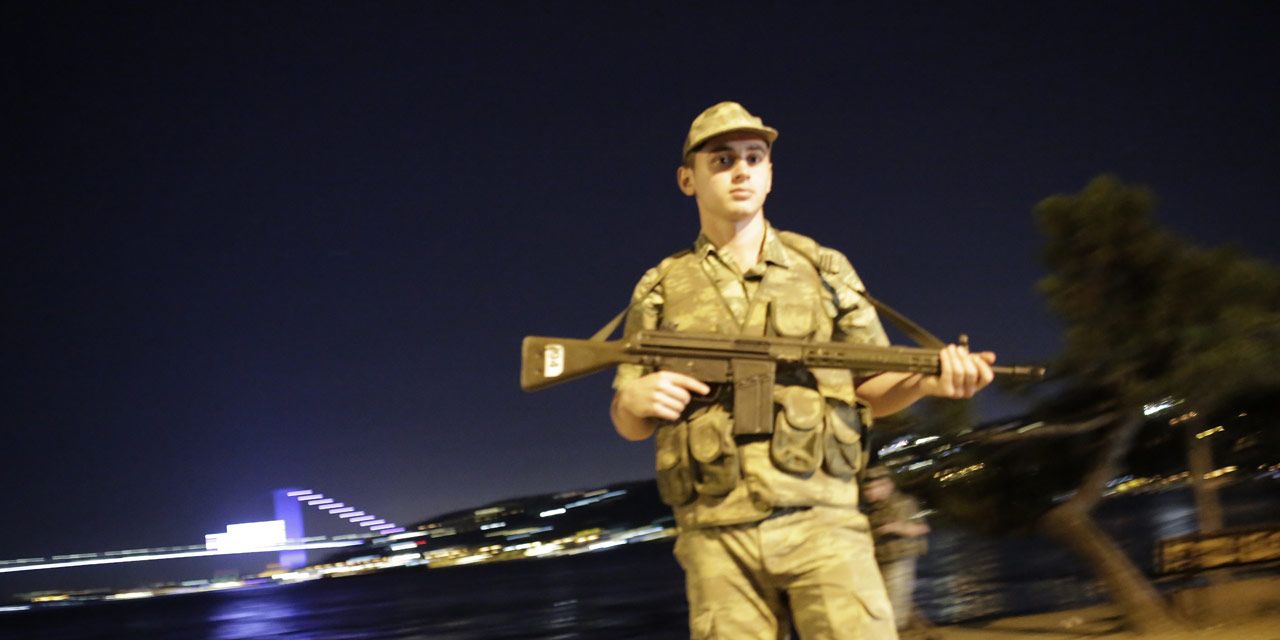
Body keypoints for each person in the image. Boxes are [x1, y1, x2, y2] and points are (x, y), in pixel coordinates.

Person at [609, 101, 996, 640]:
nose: (741, 171)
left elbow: (870, 387)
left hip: (825, 524)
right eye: (722, 160)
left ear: (770, 174)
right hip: (716, 538)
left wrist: (929, 381)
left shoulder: (823, 269)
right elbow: (628, 419)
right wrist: (634, 402)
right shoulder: (661, 286)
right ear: (687, 180)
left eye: (754, 158)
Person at [862, 466, 931, 634]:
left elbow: (922, 528)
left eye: (872, 488)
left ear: (887, 485)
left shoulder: (904, 503)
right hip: (880, 560)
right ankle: (922, 631)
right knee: (892, 600)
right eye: (866, 489)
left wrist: (898, 527)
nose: (868, 493)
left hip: (900, 558)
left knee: (893, 607)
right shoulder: (871, 510)